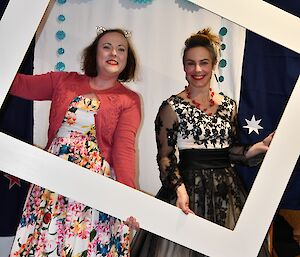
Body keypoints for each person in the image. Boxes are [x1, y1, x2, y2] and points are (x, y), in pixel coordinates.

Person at [131, 28, 273, 257]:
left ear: (214, 64)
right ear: (184, 67)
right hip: (187, 192)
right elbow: (165, 157)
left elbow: (230, 152)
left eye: (204, 63)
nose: (197, 69)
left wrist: (259, 147)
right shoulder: (171, 107)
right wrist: (178, 189)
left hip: (227, 194)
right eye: (191, 63)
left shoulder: (229, 105)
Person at [9, 28, 141, 257]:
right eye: (107, 46)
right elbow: (19, 85)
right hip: (52, 178)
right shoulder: (63, 80)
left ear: (127, 59)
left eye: (122, 49)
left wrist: (128, 198)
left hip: (93, 184)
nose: (114, 53)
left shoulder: (129, 100)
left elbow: (124, 150)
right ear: (95, 53)